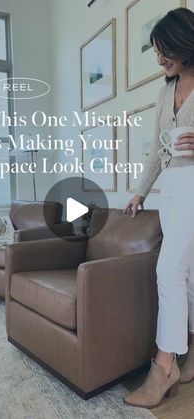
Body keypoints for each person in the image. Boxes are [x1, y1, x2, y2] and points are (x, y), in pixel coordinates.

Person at [123, 8, 194, 409]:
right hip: (172, 189)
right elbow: (157, 150)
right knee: (186, 276)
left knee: (168, 270)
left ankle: (163, 367)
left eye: (164, 49)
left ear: (185, 43)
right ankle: (191, 353)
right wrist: (140, 192)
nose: (159, 59)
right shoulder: (166, 90)